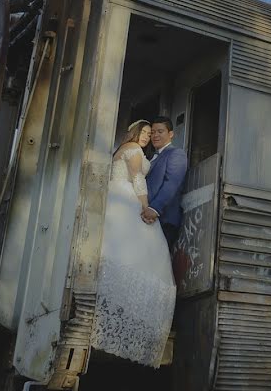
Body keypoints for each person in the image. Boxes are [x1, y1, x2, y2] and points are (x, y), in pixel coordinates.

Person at [90, 119, 176, 367]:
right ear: (135, 132)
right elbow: (138, 178)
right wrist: (144, 207)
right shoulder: (135, 150)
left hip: (113, 195)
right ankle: (132, 313)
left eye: (151, 134)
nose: (147, 137)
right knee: (144, 253)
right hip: (127, 198)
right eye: (145, 132)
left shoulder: (120, 149)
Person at [143, 116, 188, 248]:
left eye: (160, 131)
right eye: (153, 132)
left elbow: (172, 183)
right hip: (148, 217)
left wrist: (154, 208)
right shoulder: (153, 157)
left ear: (171, 134)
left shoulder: (176, 154)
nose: (155, 135)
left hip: (164, 219)